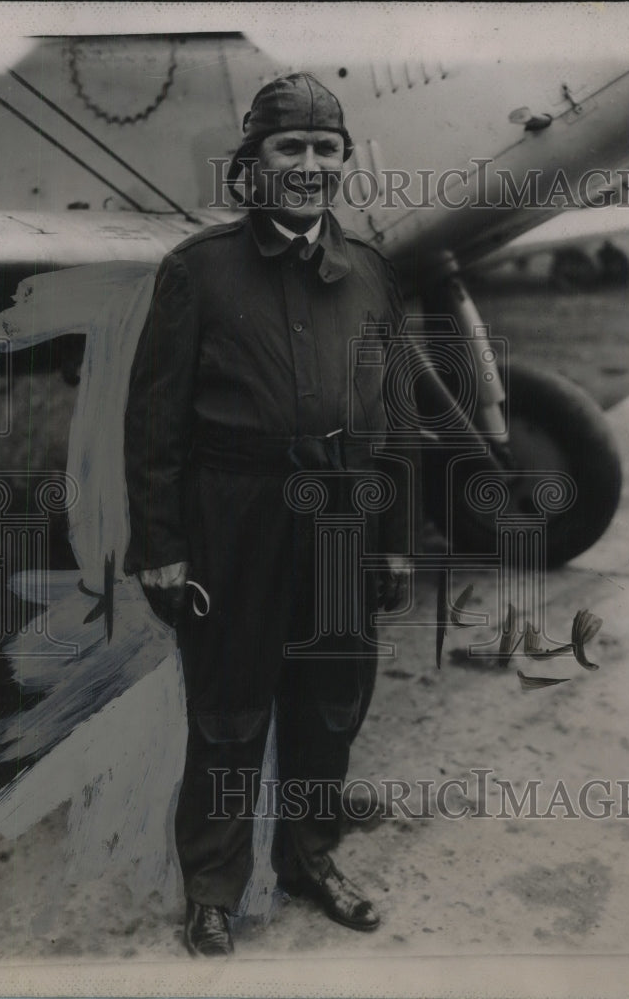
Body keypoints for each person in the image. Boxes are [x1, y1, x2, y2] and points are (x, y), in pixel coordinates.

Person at [123, 72, 417, 957]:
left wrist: (394, 542)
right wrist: (162, 547)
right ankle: (213, 889)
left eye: (325, 150)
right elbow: (153, 421)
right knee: (228, 710)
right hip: (234, 519)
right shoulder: (198, 271)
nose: (308, 165)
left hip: (341, 522)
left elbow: (395, 417)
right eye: (288, 147)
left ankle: (309, 860)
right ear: (253, 164)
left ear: (343, 165)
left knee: (329, 704)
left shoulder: (369, 273)